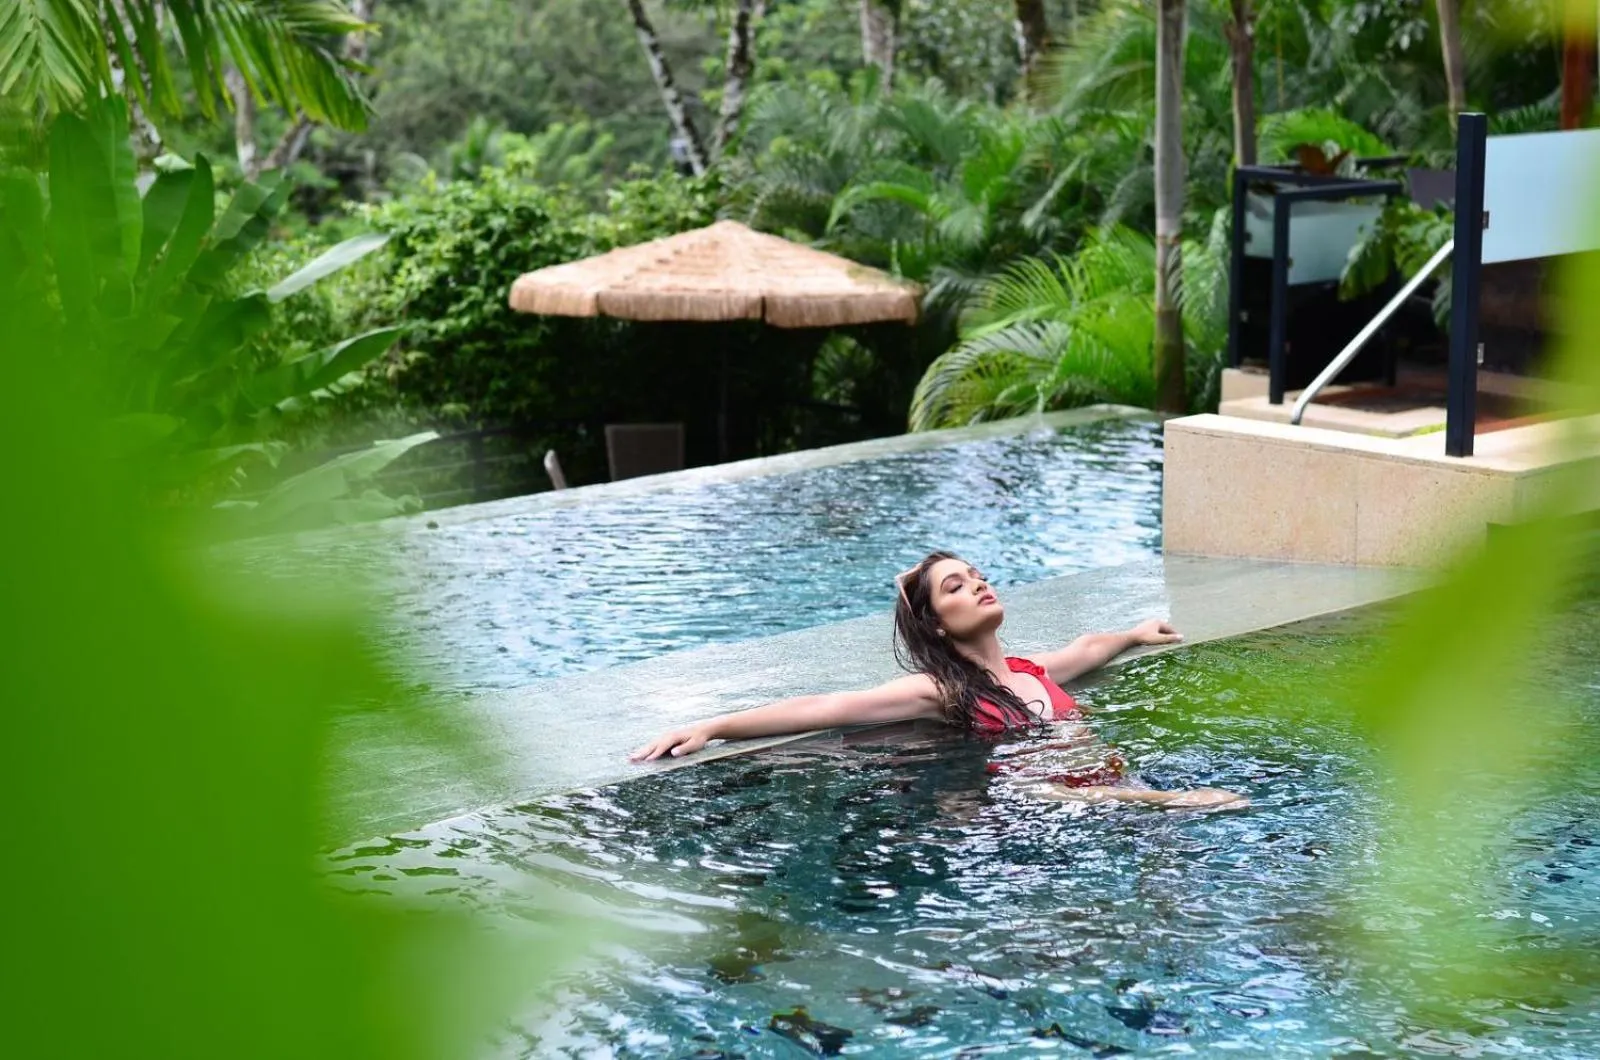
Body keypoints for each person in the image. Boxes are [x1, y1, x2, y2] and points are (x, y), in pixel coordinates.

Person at [630, 550, 1248, 810]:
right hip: (1054, 807)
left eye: (976, 575)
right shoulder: (944, 690)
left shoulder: (1032, 671)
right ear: (939, 623)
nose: (978, 583)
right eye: (955, 586)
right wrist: (712, 725)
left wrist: (1135, 634)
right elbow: (830, 707)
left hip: (1115, 790)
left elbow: (1088, 648)